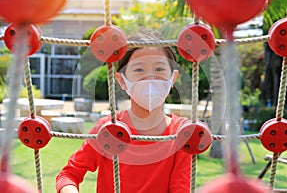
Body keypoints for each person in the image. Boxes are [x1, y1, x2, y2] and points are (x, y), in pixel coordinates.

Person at [56, 34, 192, 193]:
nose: (150, 77)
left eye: (159, 68)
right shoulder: (109, 129)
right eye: (139, 69)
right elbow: (68, 174)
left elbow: (181, 189)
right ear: (122, 80)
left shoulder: (181, 133)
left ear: (173, 78)